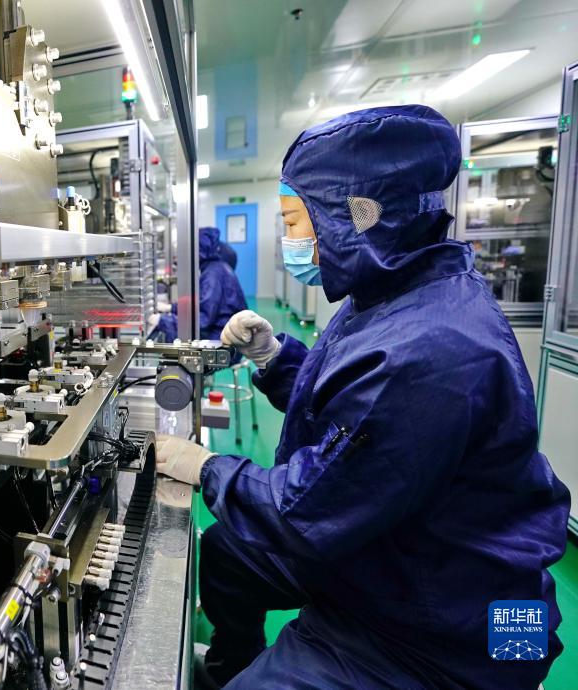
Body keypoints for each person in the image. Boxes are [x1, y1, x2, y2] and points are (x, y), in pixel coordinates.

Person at [155, 105, 570, 689]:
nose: (290, 240)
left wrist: (204, 467)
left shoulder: (428, 349)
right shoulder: (399, 291)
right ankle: (231, 666)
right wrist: (275, 358)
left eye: (295, 221)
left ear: (355, 216)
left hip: (446, 624)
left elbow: (306, 511)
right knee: (229, 552)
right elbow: (348, 410)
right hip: (393, 551)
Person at [152, 226, 247, 341]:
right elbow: (201, 304)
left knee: (176, 336)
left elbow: (203, 320)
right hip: (226, 331)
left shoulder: (212, 275)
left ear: (198, 251)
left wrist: (162, 321)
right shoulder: (216, 267)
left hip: (221, 337)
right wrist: (171, 308)